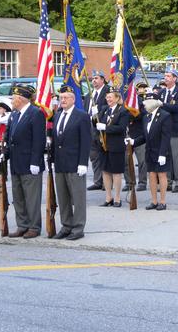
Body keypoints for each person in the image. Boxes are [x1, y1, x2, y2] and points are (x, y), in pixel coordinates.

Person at [1, 86, 46, 238]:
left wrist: (35, 161)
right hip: (15, 162)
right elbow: (9, 138)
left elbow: (38, 140)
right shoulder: (14, 114)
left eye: (13, 98)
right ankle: (22, 225)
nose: (12, 101)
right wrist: (4, 155)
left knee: (31, 198)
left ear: (20, 99)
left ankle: (34, 227)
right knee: (18, 197)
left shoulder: (36, 113)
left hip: (29, 163)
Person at [50, 85, 92, 240]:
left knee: (78, 197)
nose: (63, 100)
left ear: (73, 99)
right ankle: (66, 226)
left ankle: (78, 228)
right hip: (60, 163)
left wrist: (83, 163)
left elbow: (86, 141)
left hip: (75, 163)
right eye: (61, 98)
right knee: (63, 197)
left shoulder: (81, 116)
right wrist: (53, 159)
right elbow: (55, 140)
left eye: (66, 97)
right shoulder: (58, 115)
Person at [128, 92, 172, 210]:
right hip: (150, 150)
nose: (144, 105)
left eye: (147, 102)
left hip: (161, 150)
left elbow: (166, 136)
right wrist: (134, 141)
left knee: (161, 175)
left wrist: (163, 154)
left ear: (154, 102)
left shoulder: (165, 115)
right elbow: (144, 136)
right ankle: (154, 201)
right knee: (152, 175)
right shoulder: (146, 117)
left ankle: (162, 201)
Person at [97, 88, 130, 207]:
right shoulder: (104, 110)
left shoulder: (123, 111)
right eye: (107, 97)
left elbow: (121, 128)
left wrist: (106, 127)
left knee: (116, 172)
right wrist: (93, 116)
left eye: (110, 97)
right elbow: (95, 123)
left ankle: (117, 198)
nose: (108, 99)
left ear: (117, 98)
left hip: (116, 145)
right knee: (105, 171)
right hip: (104, 145)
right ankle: (108, 197)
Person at [157, 70, 178, 192]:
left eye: (168, 76)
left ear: (175, 78)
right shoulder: (162, 92)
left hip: (175, 129)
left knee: (177, 157)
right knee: (165, 156)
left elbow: (177, 107)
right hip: (163, 130)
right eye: (165, 76)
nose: (166, 78)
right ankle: (166, 181)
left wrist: (162, 104)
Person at [84, 70, 109, 190]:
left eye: (96, 78)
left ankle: (106, 182)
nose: (93, 80)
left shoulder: (108, 91)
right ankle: (97, 181)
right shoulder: (89, 93)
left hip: (102, 128)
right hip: (90, 128)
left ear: (103, 80)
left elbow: (111, 106)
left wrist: (99, 109)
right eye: (92, 78)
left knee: (104, 155)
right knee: (94, 156)